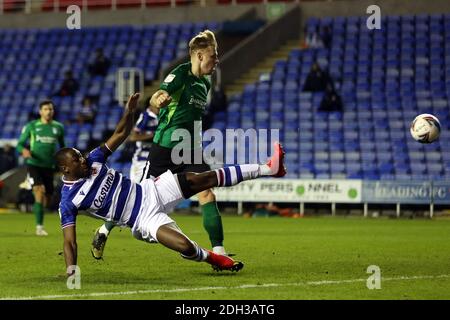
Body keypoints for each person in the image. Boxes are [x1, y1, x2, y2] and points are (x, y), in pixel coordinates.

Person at [55, 93, 286, 277]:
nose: (83, 160)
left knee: (203, 180)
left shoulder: (95, 158)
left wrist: (129, 111)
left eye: (81, 156)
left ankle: (269, 168)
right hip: (142, 221)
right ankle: (213, 259)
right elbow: (70, 241)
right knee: (184, 246)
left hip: (151, 190)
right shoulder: (68, 201)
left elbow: (120, 133)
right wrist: (71, 272)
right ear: (66, 169)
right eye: (77, 160)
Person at [91, 30, 234, 260]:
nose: (216, 60)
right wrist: (157, 99)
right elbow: (157, 96)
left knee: (207, 192)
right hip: (165, 149)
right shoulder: (179, 74)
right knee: (137, 201)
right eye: (213, 56)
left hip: (191, 149)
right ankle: (104, 229)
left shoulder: (205, 82)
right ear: (198, 56)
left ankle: (219, 250)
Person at [16, 100, 66, 236]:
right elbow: (19, 144)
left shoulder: (59, 127)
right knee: (39, 191)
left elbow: (63, 148)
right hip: (34, 164)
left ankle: (31, 186)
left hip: (49, 166)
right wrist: (24, 151)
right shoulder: (32, 126)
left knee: (47, 199)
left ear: (53, 111)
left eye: (50, 109)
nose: (48, 111)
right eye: (45, 109)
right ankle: (39, 227)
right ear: (40, 112)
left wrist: (64, 161)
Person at [129, 98, 159, 182]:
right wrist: (153, 135)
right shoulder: (145, 116)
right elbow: (133, 137)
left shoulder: (160, 117)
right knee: (138, 188)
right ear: (151, 105)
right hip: (141, 160)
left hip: (153, 159)